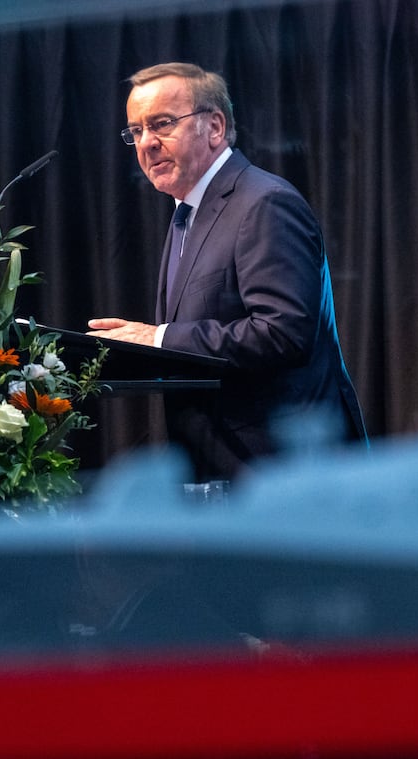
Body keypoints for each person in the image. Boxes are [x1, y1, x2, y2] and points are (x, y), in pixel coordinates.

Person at [88, 62, 366, 481]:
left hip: (287, 471)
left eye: (161, 124)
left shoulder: (263, 203)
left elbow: (282, 333)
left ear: (215, 127)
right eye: (136, 131)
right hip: (223, 471)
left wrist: (158, 338)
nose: (146, 143)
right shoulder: (187, 213)